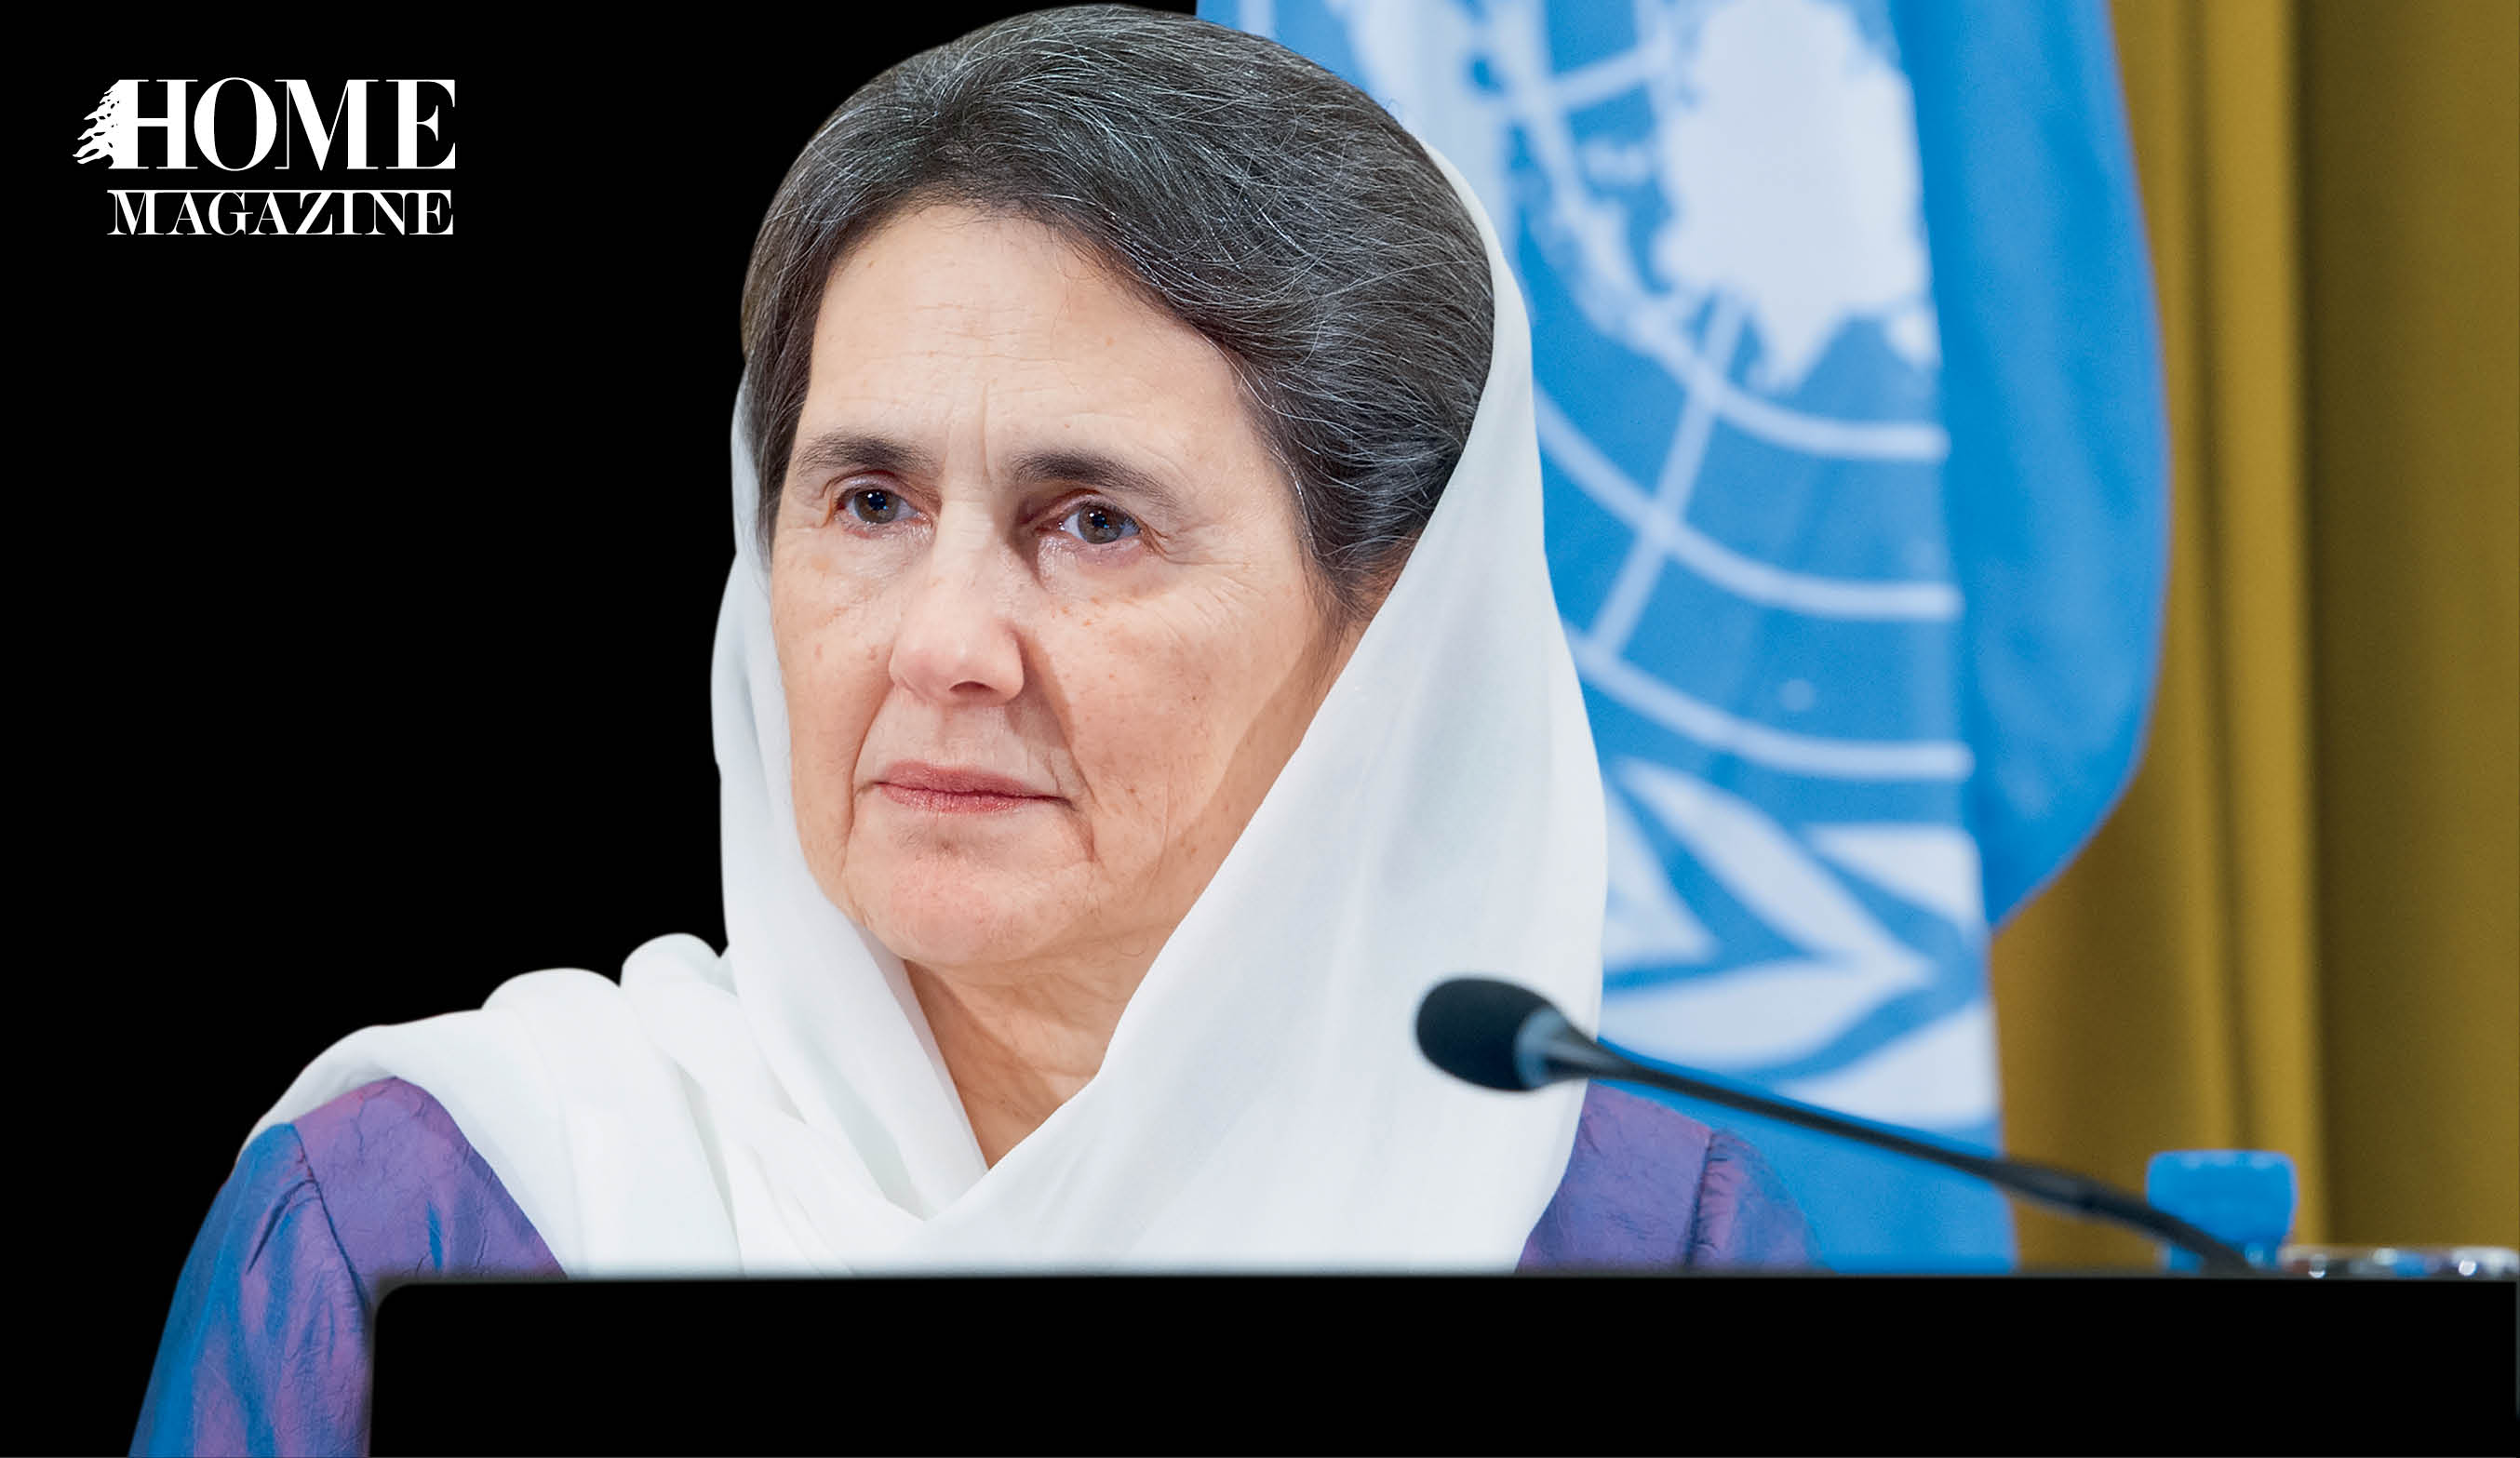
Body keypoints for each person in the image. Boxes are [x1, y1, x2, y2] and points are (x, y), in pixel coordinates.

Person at [132, 8, 1815, 1453]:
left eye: (1090, 522)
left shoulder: (1646, 1239)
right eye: (867, 502)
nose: (943, 646)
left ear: (1390, 620)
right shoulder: (430, 1215)